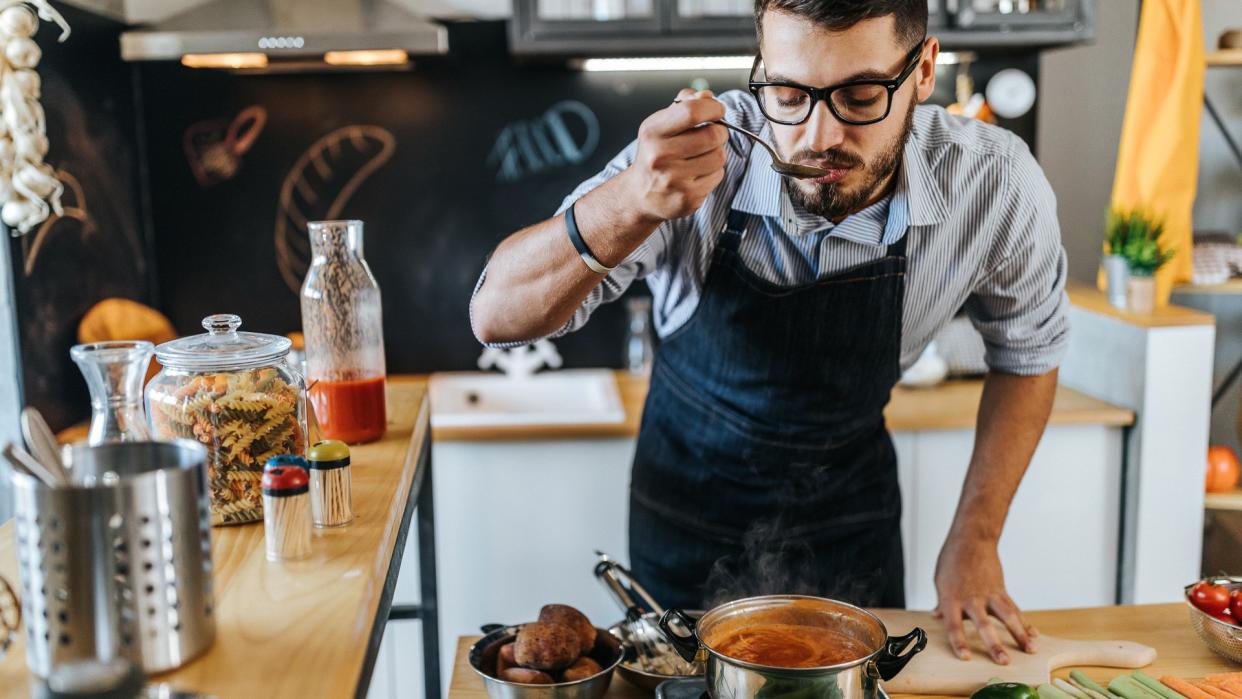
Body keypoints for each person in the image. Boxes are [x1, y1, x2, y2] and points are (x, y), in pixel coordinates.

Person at [470, 0, 1067, 665]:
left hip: (851, 522)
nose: (817, 135)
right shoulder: (696, 157)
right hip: (686, 520)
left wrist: (977, 538)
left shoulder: (995, 184)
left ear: (923, 72)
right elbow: (497, 316)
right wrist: (630, 199)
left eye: (861, 96)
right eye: (787, 93)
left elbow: (1029, 352)